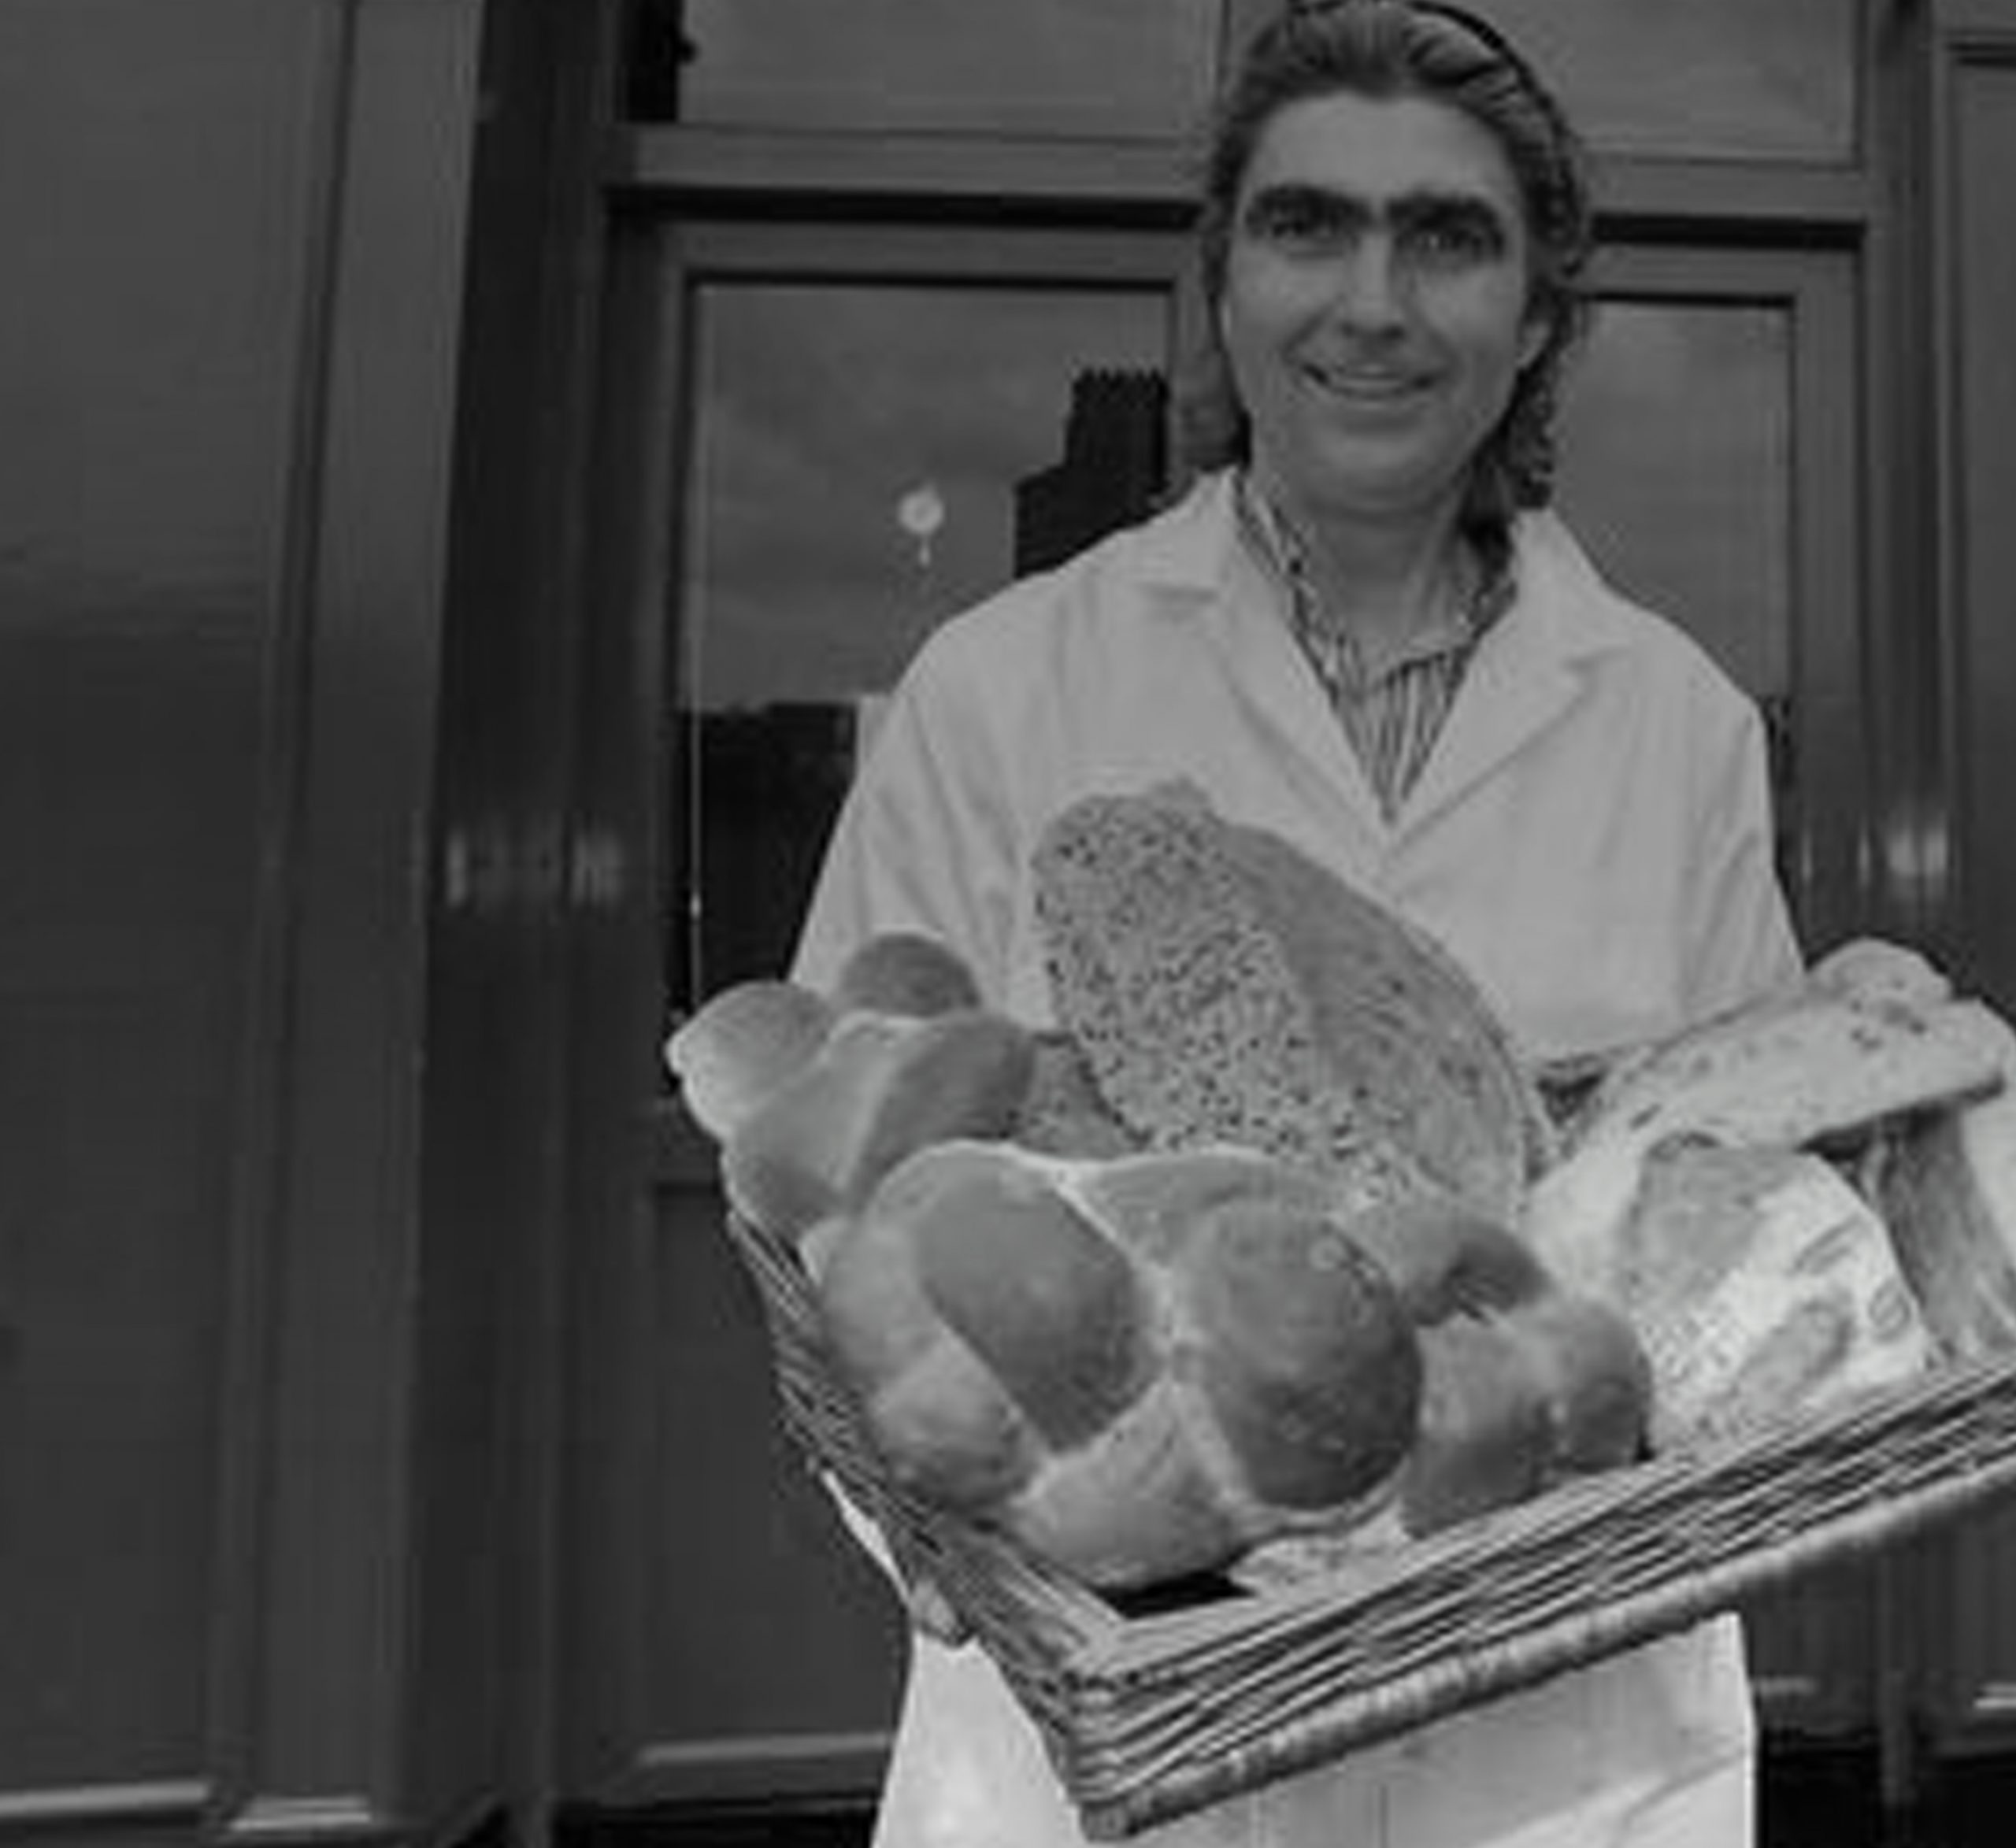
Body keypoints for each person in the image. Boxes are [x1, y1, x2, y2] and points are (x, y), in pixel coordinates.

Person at [789, 2, 1802, 1842]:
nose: (1371, 303)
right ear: (1224, 284)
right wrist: (923, 1515)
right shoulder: (997, 689)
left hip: (1568, 1741)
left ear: (1538, 316)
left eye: (1447, 237)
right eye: (1306, 225)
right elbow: (832, 1228)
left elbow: (1739, 1252)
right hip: (1106, 1750)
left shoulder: (1679, 725)